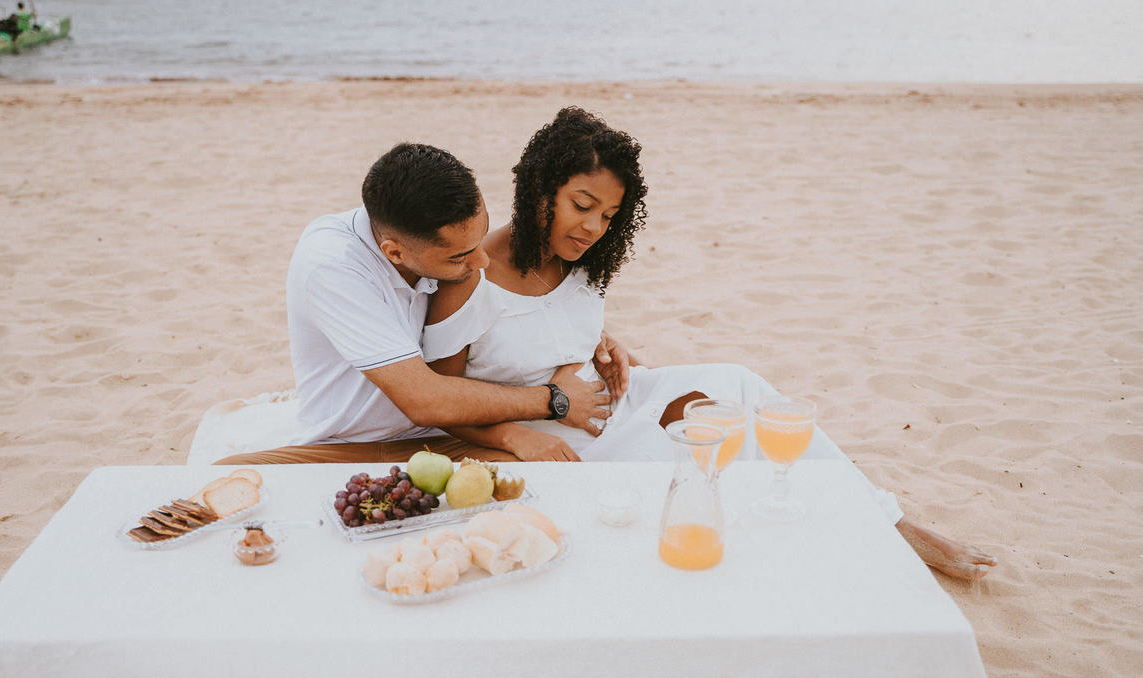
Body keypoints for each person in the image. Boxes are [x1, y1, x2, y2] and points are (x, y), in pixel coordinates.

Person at [421, 107, 997, 581]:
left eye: (610, 215)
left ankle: (890, 521)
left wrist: (603, 343)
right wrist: (515, 434)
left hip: (618, 400)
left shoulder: (583, 260)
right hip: (554, 438)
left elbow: (554, 326)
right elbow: (440, 402)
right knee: (684, 476)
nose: (594, 228)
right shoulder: (472, 275)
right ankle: (840, 533)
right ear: (539, 189)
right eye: (582, 205)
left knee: (739, 387)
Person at [216, 143, 618, 467]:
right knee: (217, 482)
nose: (482, 261)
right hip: (351, 445)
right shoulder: (333, 266)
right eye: (461, 257)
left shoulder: (435, 224)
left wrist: (589, 335)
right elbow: (425, 400)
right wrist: (554, 399)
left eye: (479, 239)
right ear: (394, 253)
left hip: (442, 440)